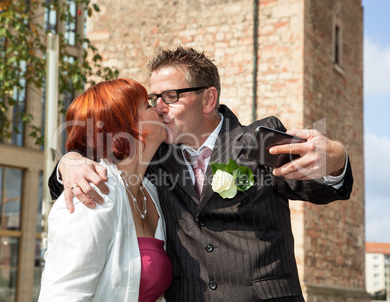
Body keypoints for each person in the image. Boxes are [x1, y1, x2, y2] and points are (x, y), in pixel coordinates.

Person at [48, 47, 353, 301]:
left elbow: (316, 182)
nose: (159, 108)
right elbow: (103, 158)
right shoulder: (154, 157)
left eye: (170, 96)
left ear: (208, 99)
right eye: (154, 99)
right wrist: (69, 161)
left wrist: (337, 160)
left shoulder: (256, 141)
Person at [39, 78, 173, 301]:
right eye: (148, 105)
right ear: (127, 125)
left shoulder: (150, 191)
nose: (159, 107)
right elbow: (64, 293)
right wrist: (68, 160)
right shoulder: (92, 191)